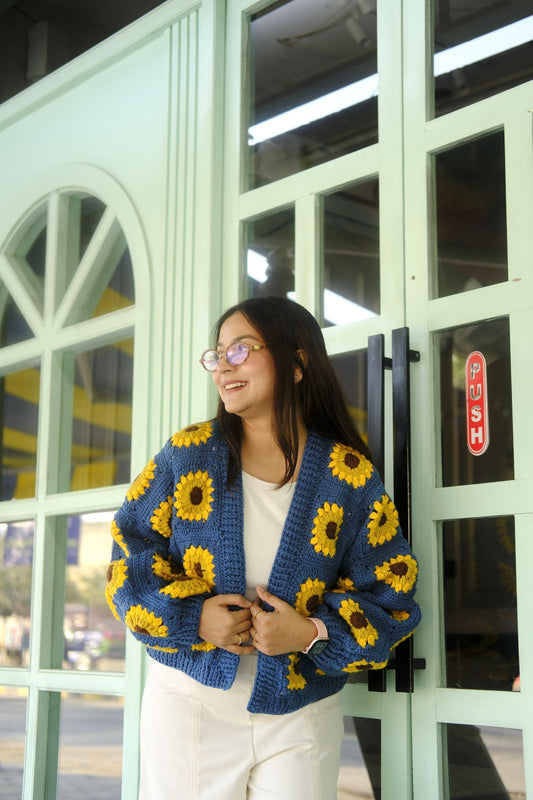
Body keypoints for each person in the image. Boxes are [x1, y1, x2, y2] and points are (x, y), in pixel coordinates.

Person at [105, 296, 421, 800]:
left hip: (302, 712)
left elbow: (391, 594)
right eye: (217, 354)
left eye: (241, 350)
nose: (223, 366)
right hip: (192, 703)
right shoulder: (188, 455)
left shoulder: (350, 476)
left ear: (297, 363)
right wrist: (193, 617)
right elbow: (129, 556)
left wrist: (312, 632)